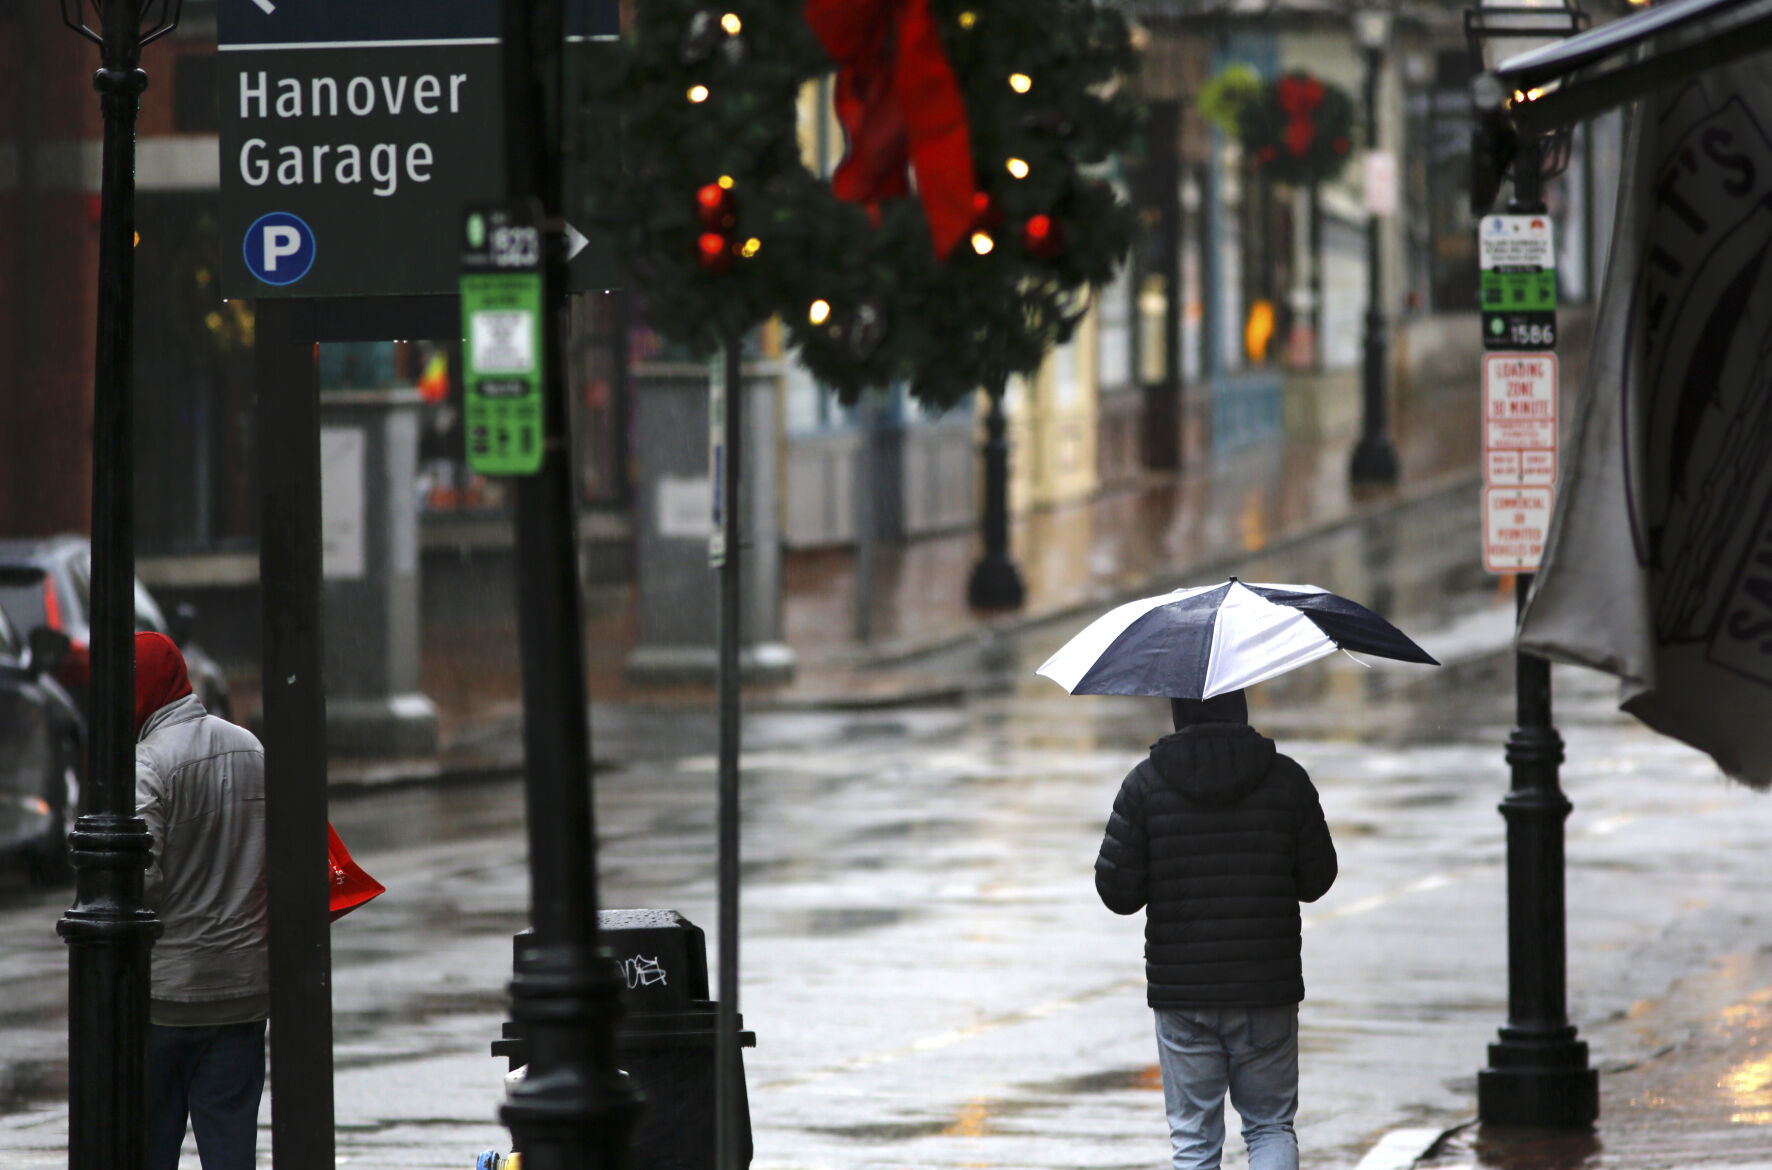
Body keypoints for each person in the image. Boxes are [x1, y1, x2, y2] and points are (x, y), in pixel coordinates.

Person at [1094, 690, 1337, 1170]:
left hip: (1183, 992)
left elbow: (1118, 893)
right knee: (1270, 1126)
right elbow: (1318, 879)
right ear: (1240, 705)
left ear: (1178, 710)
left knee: (1194, 1141)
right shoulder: (1287, 780)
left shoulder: (1144, 785)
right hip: (1266, 986)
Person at [134, 631, 269, 1170]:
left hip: (167, 996)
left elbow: (137, 879)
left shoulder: (145, 764)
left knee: (150, 1142)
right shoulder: (251, 748)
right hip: (243, 991)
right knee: (231, 1144)